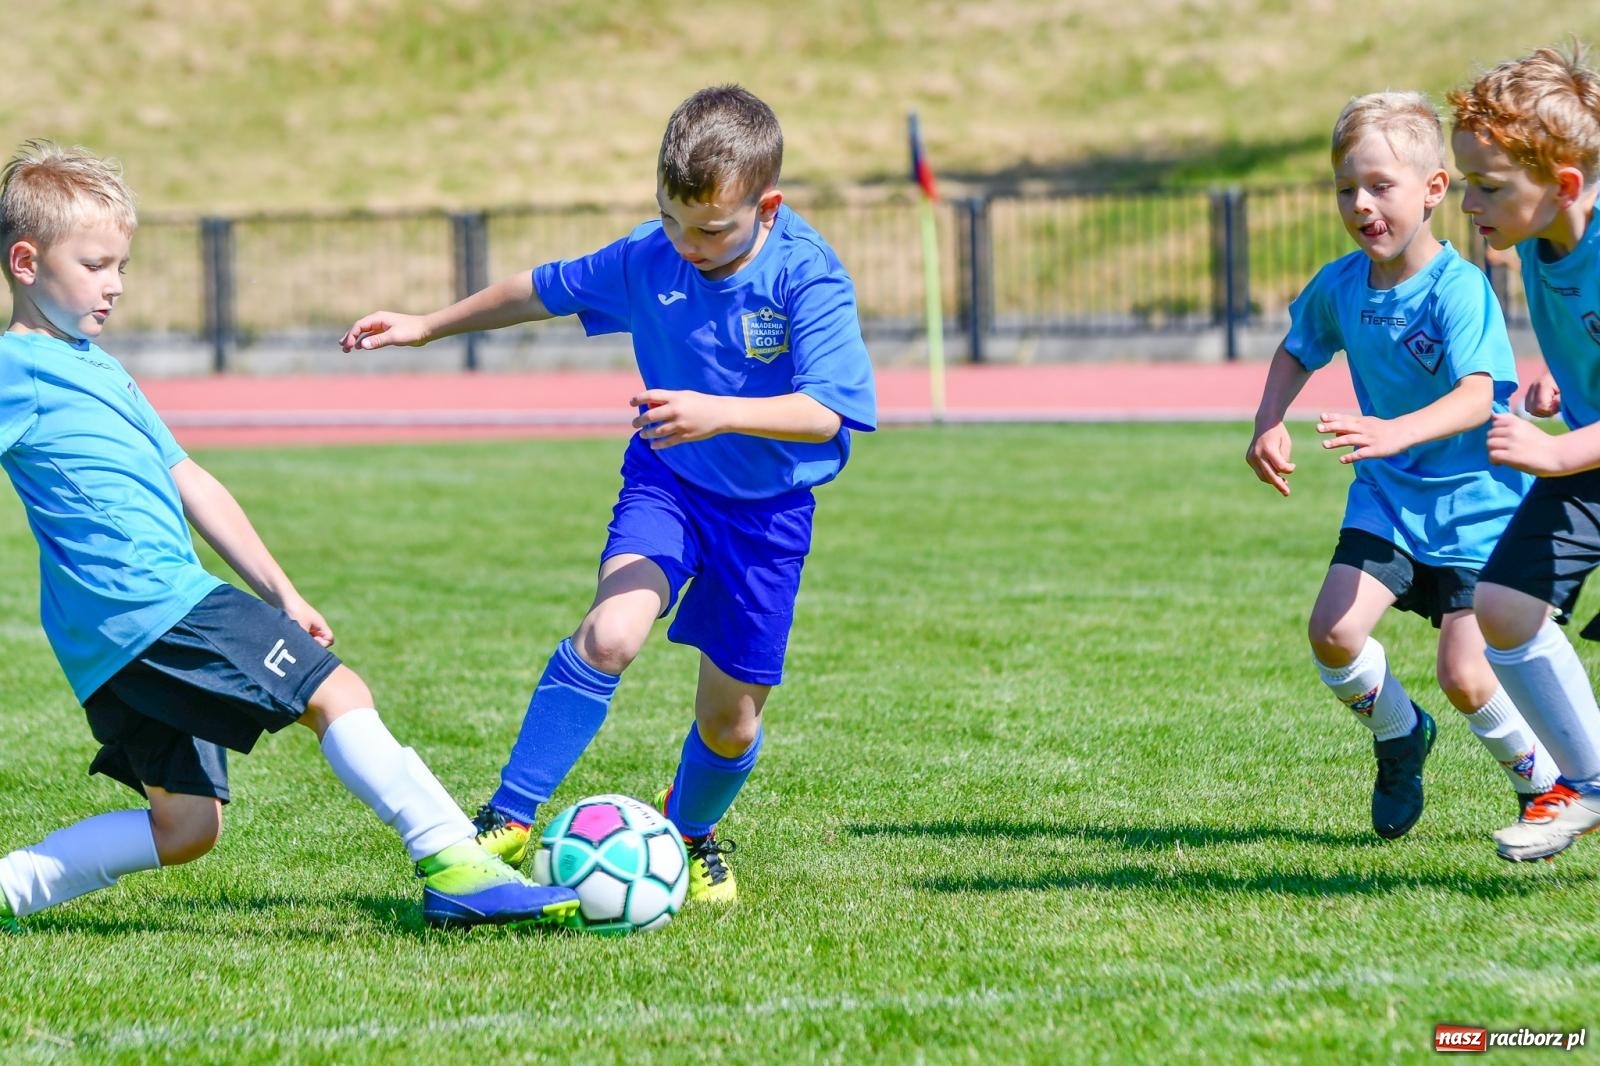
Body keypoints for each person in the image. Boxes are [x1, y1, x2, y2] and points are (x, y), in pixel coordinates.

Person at [0, 139, 579, 931]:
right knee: (337, 693)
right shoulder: (15, 368)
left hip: (110, 637)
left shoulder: (97, 365)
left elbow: (189, 478)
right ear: (26, 263)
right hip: (151, 604)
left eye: (122, 265)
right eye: (96, 264)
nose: (117, 284)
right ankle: (455, 863)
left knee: (186, 827)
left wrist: (281, 591)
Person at [340, 85, 877, 904]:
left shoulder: (808, 276)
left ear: (767, 208)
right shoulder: (649, 257)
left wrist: (719, 411)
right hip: (669, 479)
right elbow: (540, 289)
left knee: (730, 722)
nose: (686, 244)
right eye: (670, 219)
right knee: (611, 633)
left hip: (768, 516)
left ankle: (689, 833)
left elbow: (829, 410)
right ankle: (508, 815)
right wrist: (426, 324)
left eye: (710, 230)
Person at [1246, 92, 1554, 840]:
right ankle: (1400, 733)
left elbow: (1480, 395)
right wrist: (1268, 422)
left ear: (1433, 189)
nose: (1361, 204)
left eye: (1380, 185)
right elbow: (1297, 348)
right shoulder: (1341, 284)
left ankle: (1540, 782)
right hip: (1388, 499)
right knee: (1333, 634)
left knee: (1466, 676)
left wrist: (1395, 430)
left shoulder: (1459, 287)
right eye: (1345, 189)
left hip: (1478, 510)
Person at [1449, 43, 1600, 861]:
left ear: (1565, 186)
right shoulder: (1540, 239)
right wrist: (1561, 382)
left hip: (1583, 456)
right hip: (1589, 455)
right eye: (1467, 181)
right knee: (1504, 608)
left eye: (1488, 185)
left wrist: (1557, 452)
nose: (1469, 202)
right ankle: (1592, 784)